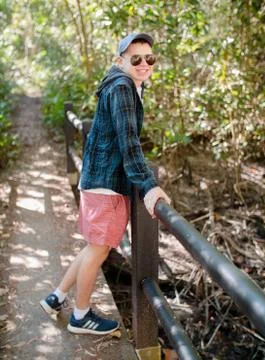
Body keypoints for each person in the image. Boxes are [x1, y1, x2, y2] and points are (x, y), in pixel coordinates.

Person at [40, 32, 171, 335]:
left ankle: (56, 298)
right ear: (120, 60)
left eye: (149, 58)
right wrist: (149, 186)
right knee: (98, 251)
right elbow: (130, 144)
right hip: (107, 183)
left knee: (93, 248)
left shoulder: (124, 85)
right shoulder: (123, 88)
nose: (143, 63)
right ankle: (80, 316)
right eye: (135, 58)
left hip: (98, 179)